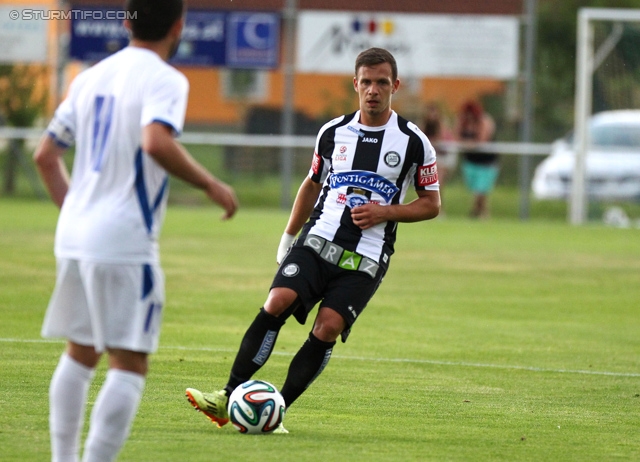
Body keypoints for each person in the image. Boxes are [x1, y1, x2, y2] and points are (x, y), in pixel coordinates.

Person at [185, 47, 440, 433]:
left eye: (382, 83)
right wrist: (288, 236)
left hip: (366, 257)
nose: (373, 90)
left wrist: (385, 211)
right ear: (355, 84)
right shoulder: (333, 132)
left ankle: (274, 410)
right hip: (318, 239)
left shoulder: (413, 142)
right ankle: (227, 395)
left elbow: (431, 204)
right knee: (277, 301)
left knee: (327, 328)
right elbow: (311, 184)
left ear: (395, 86)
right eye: (366, 82)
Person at [33, 1, 238, 460]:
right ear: (179, 26)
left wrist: (80, 213)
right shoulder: (166, 79)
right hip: (123, 241)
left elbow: (45, 155)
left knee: (80, 352)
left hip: (75, 235)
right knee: (129, 363)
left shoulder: (87, 76)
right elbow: (156, 140)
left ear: (126, 21)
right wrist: (210, 183)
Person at [454, 100, 499, 219]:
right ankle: (480, 212)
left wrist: (468, 144)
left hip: (486, 162)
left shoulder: (485, 121)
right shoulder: (462, 122)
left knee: (481, 190)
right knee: (476, 190)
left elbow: (482, 140)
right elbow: (457, 138)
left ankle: (479, 213)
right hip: (470, 160)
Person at [423, 102, 456, 207]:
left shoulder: (442, 126)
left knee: (438, 183)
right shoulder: (424, 125)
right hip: (430, 158)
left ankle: (439, 208)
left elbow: (441, 141)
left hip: (442, 157)